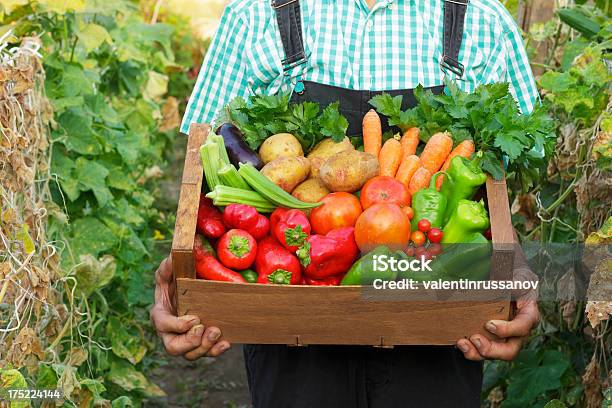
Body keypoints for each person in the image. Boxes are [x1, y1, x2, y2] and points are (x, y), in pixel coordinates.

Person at [151, 0, 540, 406]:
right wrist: (182, 267)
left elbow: (494, 187)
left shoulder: (484, 22)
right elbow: (204, 167)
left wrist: (514, 263)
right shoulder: (254, 18)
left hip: (438, 326)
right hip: (294, 331)